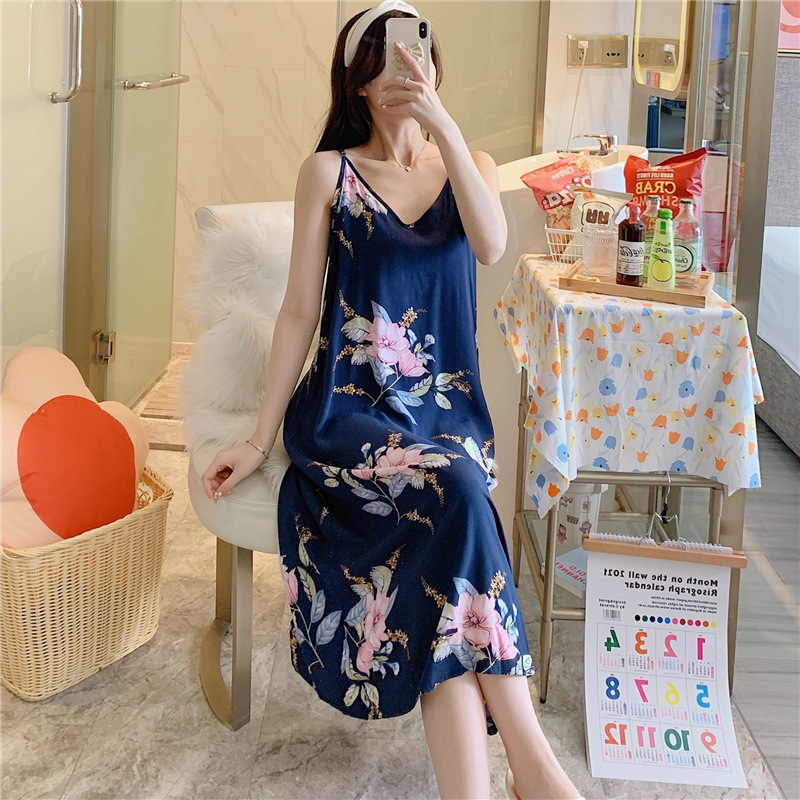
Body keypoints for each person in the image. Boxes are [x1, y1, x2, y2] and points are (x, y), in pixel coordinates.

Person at [201, 2, 583, 798]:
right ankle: (536, 767)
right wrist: (261, 438)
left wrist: (442, 126)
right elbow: (299, 312)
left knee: (452, 534)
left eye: (419, 54)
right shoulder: (329, 174)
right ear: (360, 85)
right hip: (350, 415)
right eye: (386, 60)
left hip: (446, 420)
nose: (408, 69)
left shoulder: (468, 162)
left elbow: (491, 245)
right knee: (461, 495)